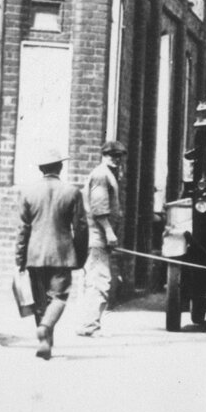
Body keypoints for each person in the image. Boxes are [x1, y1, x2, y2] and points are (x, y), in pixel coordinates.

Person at [15, 145, 89, 360]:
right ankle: (46, 328)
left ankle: (45, 341)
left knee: (40, 301)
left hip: (34, 254)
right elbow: (81, 228)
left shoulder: (27, 192)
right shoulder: (72, 192)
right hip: (62, 254)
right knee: (59, 297)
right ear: (60, 167)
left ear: (41, 169)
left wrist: (20, 258)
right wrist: (80, 257)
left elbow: (22, 229)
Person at [73, 140, 126, 338]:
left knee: (91, 281)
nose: (116, 159)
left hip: (96, 238)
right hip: (97, 237)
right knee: (100, 281)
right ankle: (90, 326)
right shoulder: (101, 174)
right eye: (112, 155)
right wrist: (110, 233)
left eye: (119, 156)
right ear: (103, 156)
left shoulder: (107, 174)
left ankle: (87, 323)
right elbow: (99, 207)